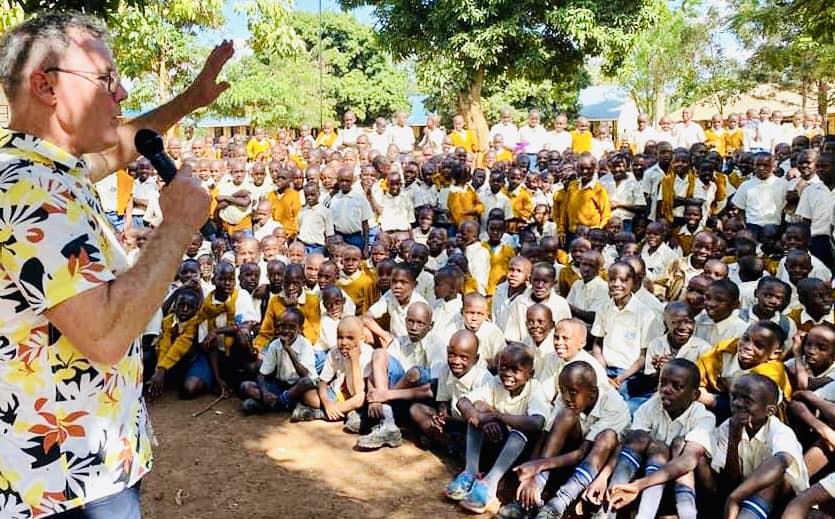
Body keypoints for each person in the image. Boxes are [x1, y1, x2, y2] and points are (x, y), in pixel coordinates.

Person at [0, 11, 231, 515]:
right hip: (62, 484)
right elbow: (104, 335)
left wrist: (190, 100)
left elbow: (124, 143)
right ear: (46, 86)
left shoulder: (51, 171)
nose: (121, 93)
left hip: (82, 463)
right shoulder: (28, 188)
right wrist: (178, 226)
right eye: (105, 79)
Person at [445, 343, 550, 514]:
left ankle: (490, 484)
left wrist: (498, 416)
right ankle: (470, 472)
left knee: (520, 428)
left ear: (530, 374)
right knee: (477, 411)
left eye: (515, 370)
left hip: (522, 453)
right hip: (497, 443)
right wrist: (479, 418)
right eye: (504, 367)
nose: (507, 374)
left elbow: (537, 422)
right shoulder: (496, 382)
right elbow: (463, 402)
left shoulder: (535, 389)